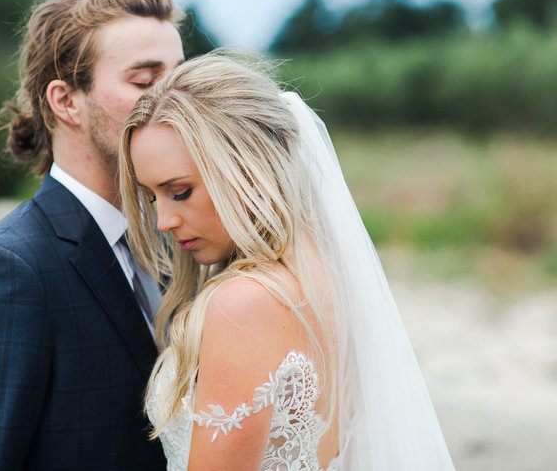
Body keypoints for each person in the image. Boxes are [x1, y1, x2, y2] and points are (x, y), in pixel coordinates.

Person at [119, 54, 456, 470]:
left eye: (181, 191)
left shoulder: (243, 304)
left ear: (248, 166)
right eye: (153, 196)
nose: (163, 221)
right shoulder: (332, 275)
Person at [0, 0, 184, 470]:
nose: (176, 102)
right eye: (146, 81)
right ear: (66, 101)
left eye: (180, 78)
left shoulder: (177, 238)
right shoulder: (6, 271)